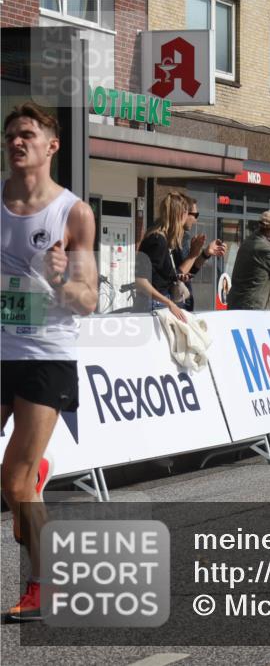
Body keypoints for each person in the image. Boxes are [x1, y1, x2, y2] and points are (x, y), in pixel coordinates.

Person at [2, 102, 98, 622]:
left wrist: (61, 278)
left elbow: (89, 300)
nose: (17, 142)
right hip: (0, 348)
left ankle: (45, 587)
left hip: (45, 355)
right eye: (11, 134)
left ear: (51, 145)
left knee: (16, 485)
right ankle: (32, 471)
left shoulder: (72, 213)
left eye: (27, 135)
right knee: (15, 479)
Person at [136, 191, 191, 322]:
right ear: (180, 215)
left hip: (156, 303)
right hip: (155, 305)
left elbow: (155, 276)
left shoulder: (160, 238)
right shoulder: (157, 240)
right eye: (187, 214)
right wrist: (169, 303)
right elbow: (141, 281)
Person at [175, 195, 226, 311]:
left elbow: (188, 272)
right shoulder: (178, 237)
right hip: (176, 303)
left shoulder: (183, 236)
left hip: (181, 301)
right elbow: (177, 276)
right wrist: (194, 254)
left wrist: (205, 253)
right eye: (195, 215)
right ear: (184, 213)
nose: (196, 219)